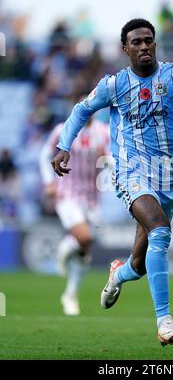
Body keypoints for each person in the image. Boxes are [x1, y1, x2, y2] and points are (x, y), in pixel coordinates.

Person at [51, 19, 173, 344]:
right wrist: (63, 147)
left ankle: (119, 273)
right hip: (131, 171)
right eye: (137, 42)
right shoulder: (114, 85)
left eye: (149, 41)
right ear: (125, 48)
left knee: (140, 263)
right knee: (160, 231)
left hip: (170, 174)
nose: (144, 46)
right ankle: (164, 321)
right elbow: (81, 110)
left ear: (155, 44)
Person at [40, 97, 109, 315]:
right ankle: (65, 247)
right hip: (67, 194)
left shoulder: (103, 131)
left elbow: (112, 157)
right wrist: (49, 182)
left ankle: (70, 294)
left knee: (85, 249)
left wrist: (108, 162)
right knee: (85, 237)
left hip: (92, 198)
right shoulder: (64, 128)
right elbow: (44, 154)